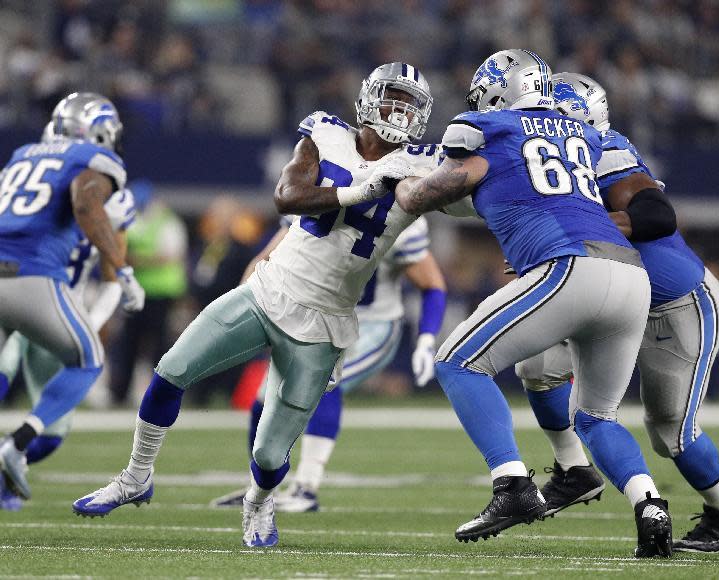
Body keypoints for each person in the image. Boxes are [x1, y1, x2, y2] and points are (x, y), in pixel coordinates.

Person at [72, 62, 440, 549]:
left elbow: (469, 192)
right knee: (171, 369)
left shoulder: (422, 165)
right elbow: (286, 197)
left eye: (409, 104)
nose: (399, 111)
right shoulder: (325, 133)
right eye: (392, 97)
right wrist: (358, 190)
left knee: (269, 455)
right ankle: (136, 476)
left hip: (325, 322)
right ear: (368, 99)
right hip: (270, 289)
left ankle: (260, 500)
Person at [395, 50, 672, 558]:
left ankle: (511, 486)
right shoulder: (582, 133)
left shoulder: (488, 127)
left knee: (458, 362)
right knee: (597, 415)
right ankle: (648, 504)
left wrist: (400, 180)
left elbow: (427, 195)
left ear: (498, 94)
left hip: (570, 267)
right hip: (631, 277)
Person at [515, 72, 719, 554]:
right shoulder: (543, 161)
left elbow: (657, 215)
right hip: (613, 301)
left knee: (670, 433)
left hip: (675, 302)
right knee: (538, 365)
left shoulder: (607, 151)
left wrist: (580, 233)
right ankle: (573, 470)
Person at [211, 214, 447, 511]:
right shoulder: (317, 197)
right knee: (264, 395)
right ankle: (260, 487)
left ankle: (305, 488)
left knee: (323, 381)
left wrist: (426, 337)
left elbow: (432, 283)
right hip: (317, 319)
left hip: (371, 325)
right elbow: (266, 259)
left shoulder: (400, 216)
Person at [0, 92, 145, 501]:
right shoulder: (96, 166)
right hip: (38, 281)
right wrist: (125, 271)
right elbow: (86, 204)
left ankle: (9, 474)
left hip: (40, 288)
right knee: (88, 360)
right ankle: (17, 442)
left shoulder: (23, 154)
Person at [108, 181, 188, 407]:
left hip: (162, 294)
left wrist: (135, 261)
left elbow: (171, 256)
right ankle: (119, 395)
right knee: (128, 344)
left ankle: (162, 394)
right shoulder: (134, 222)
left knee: (160, 347)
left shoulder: (167, 223)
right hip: (138, 292)